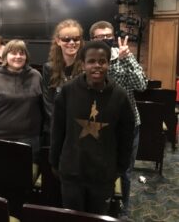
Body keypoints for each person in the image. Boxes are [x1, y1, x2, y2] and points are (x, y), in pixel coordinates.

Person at [50, 40, 135, 215]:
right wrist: (54, 161)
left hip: (103, 175)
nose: (97, 66)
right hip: (72, 171)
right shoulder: (68, 91)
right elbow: (57, 130)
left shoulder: (119, 96)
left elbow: (126, 136)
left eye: (102, 61)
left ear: (108, 64)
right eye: (91, 61)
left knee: (97, 217)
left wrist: (120, 168)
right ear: (83, 64)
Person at [89, 21, 147, 219]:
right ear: (92, 40)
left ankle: (124, 209)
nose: (105, 39)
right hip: (102, 126)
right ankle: (102, 207)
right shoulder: (90, 60)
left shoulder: (124, 53)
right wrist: (116, 63)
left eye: (108, 36)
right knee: (101, 170)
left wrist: (127, 58)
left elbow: (140, 85)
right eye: (100, 37)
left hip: (129, 126)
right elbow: (103, 84)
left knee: (126, 171)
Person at [0, 39, 44, 163]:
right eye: (13, 53)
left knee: (26, 180)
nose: (18, 56)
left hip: (30, 141)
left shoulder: (36, 76)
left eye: (21, 53)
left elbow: (43, 108)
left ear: (26, 56)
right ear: (5, 56)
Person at [42, 19, 84, 145]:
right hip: (56, 129)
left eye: (76, 39)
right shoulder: (49, 68)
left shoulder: (87, 67)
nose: (72, 43)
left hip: (80, 130)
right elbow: (48, 102)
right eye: (66, 39)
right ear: (58, 41)